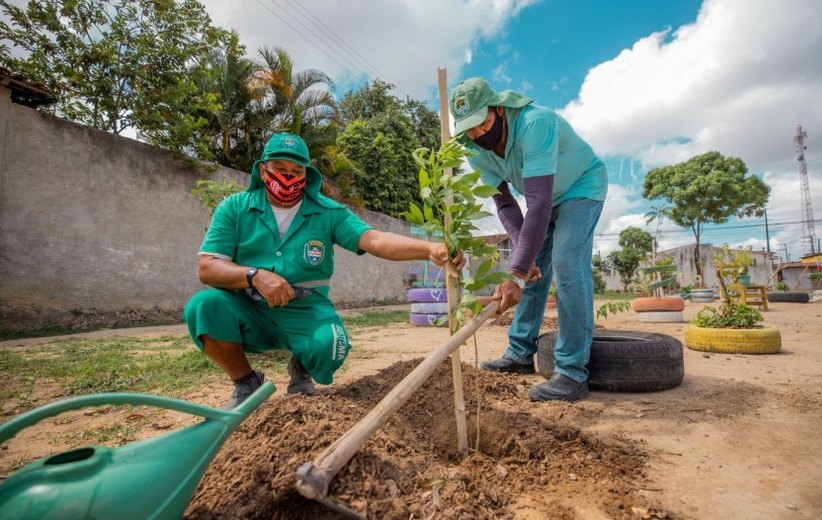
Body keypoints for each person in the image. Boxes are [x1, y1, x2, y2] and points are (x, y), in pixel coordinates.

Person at [184, 132, 463, 409]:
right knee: (203, 306)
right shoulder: (234, 208)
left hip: (306, 308)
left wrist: (429, 249)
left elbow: (374, 240)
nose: (288, 177)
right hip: (247, 307)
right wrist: (254, 276)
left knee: (332, 346)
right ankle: (246, 382)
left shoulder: (328, 212)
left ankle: (301, 365)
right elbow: (208, 268)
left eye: (296, 170)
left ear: (307, 174)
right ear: (262, 169)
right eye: (279, 168)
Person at [449, 77, 607, 402]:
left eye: (483, 123)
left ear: (499, 109)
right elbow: (505, 203)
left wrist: (516, 272)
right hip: (544, 202)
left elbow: (537, 202)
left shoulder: (535, 122)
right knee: (532, 271)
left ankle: (573, 373)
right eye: (469, 129)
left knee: (567, 265)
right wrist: (525, 263)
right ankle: (520, 353)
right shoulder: (473, 150)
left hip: (580, 187)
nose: (478, 134)